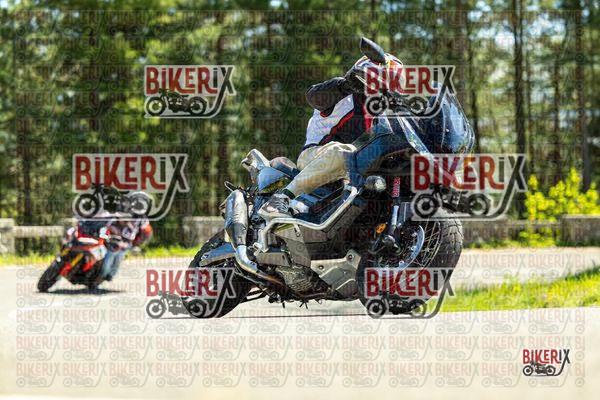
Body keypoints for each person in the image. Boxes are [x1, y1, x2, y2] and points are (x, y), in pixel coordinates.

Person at [258, 53, 404, 219]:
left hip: (351, 169)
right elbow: (313, 96)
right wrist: (346, 84)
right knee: (347, 152)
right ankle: (281, 199)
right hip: (314, 157)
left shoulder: (383, 114)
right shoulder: (344, 92)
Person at [99, 216, 153, 282]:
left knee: (117, 260)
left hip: (122, 247)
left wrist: (127, 244)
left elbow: (131, 239)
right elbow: (104, 229)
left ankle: (110, 276)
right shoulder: (113, 221)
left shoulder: (132, 227)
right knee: (107, 262)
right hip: (110, 245)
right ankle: (102, 276)